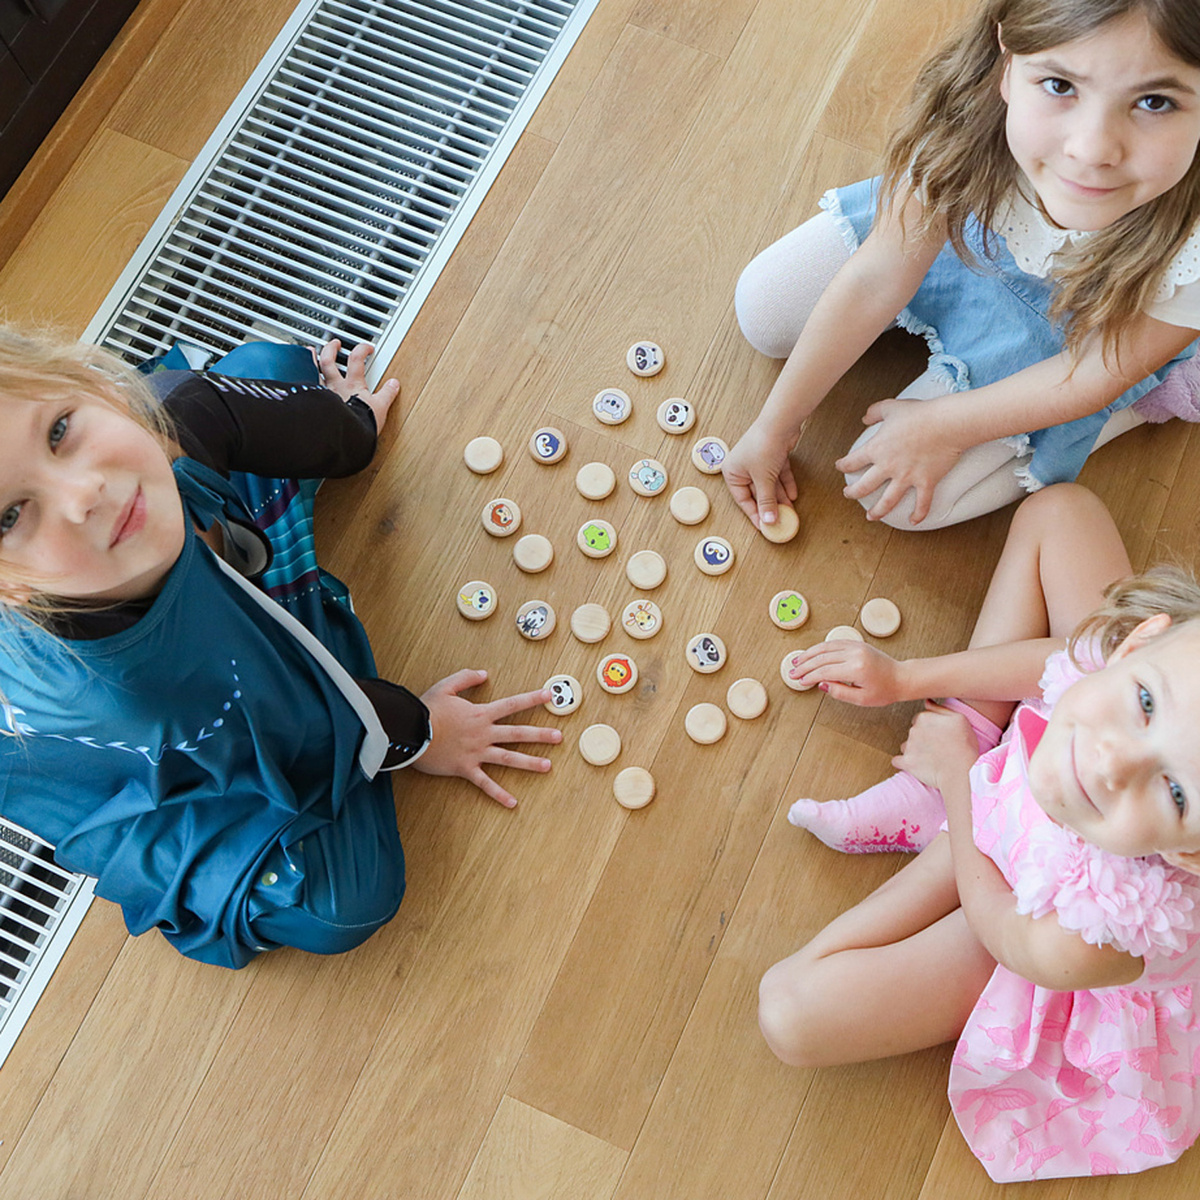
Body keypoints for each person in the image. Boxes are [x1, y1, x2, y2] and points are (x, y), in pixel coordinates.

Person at [0, 328, 560, 969]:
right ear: (8, 586)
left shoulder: (173, 411)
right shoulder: (147, 690)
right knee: (343, 904)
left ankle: (263, 595)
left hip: (233, 664)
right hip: (175, 759)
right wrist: (426, 730)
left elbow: (323, 434)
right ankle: (274, 602)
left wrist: (353, 428)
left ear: (97, 385)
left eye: (58, 431)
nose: (83, 494)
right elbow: (311, 725)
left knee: (280, 370)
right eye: (11, 516)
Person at [761, 483, 1200, 1180]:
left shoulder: (1105, 931)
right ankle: (972, 760)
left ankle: (946, 811)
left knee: (791, 1010)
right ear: (1137, 646)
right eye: (1146, 701)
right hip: (1015, 809)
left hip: (1025, 913)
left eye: (1175, 790)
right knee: (1063, 512)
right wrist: (906, 677)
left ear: (1189, 853)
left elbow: (1008, 933)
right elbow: (1063, 660)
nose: (1112, 760)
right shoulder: (1114, 672)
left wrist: (963, 786)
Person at [725, 0, 1200, 531]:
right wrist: (774, 428)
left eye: (1155, 101)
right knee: (764, 310)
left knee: (899, 501)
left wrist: (943, 427)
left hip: (1093, 323)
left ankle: (1153, 389)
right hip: (969, 237)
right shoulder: (968, 115)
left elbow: (1091, 375)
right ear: (1006, 59)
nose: (1091, 150)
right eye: (1061, 85)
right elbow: (877, 275)